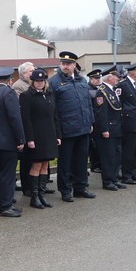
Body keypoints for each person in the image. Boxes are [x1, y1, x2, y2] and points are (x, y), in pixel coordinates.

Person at [49, 51, 95, 202]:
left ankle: (81, 188)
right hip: (66, 129)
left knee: (81, 160)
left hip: (83, 127)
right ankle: (65, 190)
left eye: (68, 64)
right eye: (63, 63)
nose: (65, 66)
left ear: (75, 65)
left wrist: (90, 122)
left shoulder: (82, 81)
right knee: (65, 162)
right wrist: (56, 131)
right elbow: (52, 109)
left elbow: (88, 103)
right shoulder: (54, 82)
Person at [19, 68, 62, 209]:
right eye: (37, 81)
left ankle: (42, 195)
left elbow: (55, 116)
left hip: (49, 135)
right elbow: (26, 119)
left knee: (45, 165)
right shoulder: (26, 96)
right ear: (32, 82)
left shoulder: (49, 94)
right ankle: (34, 197)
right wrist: (29, 139)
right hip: (36, 136)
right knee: (36, 165)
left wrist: (58, 135)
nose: (39, 83)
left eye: (42, 81)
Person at [0, 67, 25, 217]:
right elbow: (15, 118)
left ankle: (0, 200)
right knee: (7, 175)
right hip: (8, 141)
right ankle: (5, 206)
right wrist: (21, 139)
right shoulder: (9, 93)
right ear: (10, 80)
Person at [92, 66, 125, 191]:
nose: (118, 79)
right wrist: (104, 129)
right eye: (116, 76)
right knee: (108, 156)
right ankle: (108, 181)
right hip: (108, 129)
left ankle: (114, 178)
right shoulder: (102, 92)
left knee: (117, 155)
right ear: (110, 77)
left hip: (116, 128)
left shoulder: (111, 90)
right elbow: (101, 113)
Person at [117, 61, 136, 184]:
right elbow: (119, 103)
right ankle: (126, 174)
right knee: (129, 149)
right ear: (132, 72)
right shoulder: (123, 85)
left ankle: (134, 173)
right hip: (129, 121)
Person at [12, 61, 36, 196]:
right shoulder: (18, 86)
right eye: (31, 71)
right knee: (26, 159)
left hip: (35, 126)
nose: (33, 73)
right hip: (25, 126)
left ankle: (36, 185)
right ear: (23, 74)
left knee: (35, 158)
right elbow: (20, 108)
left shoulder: (32, 84)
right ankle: (27, 186)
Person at [86, 69, 102, 174]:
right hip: (92, 120)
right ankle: (94, 165)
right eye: (95, 79)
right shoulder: (88, 89)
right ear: (91, 79)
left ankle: (96, 164)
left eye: (98, 78)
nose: (97, 80)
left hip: (98, 120)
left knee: (96, 145)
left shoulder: (98, 89)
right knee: (91, 145)